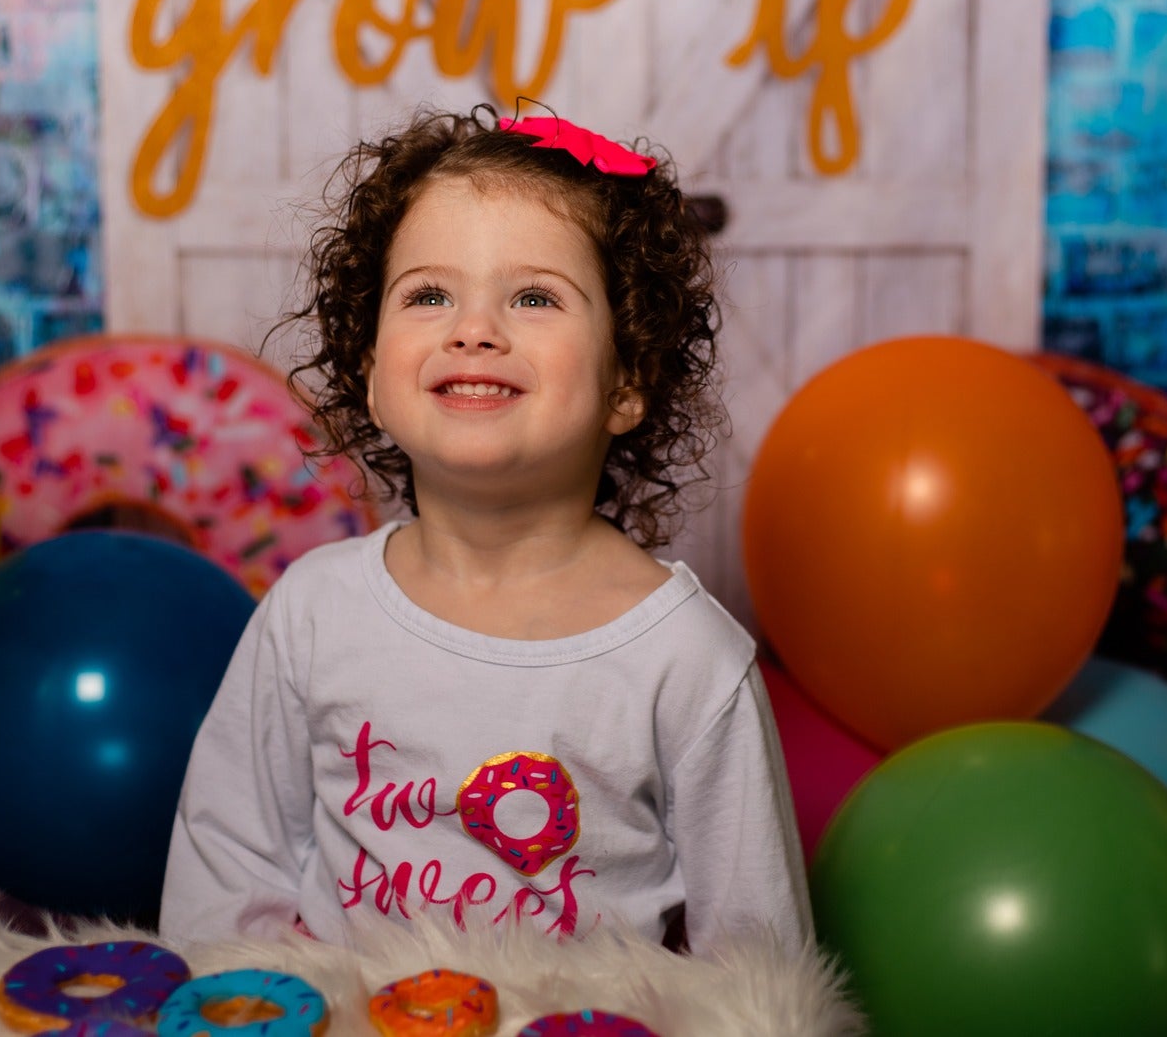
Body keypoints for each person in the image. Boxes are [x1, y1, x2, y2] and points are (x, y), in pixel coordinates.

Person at [160, 107, 810, 952]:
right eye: (428, 294)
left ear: (627, 380)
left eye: (534, 296)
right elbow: (226, 877)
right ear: (369, 372)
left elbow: (760, 969)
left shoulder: (686, 658)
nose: (473, 329)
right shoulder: (313, 612)